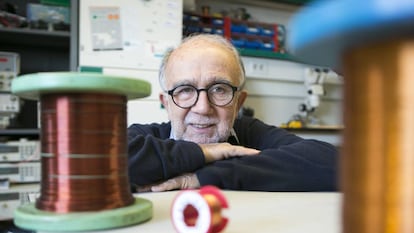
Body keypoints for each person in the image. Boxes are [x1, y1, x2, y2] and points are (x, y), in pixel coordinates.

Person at [127, 34, 338, 192]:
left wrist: (207, 176)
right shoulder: (144, 138)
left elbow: (335, 162)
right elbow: (105, 160)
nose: (202, 107)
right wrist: (207, 152)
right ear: (167, 103)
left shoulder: (250, 133)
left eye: (219, 89)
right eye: (185, 90)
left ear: (239, 103)